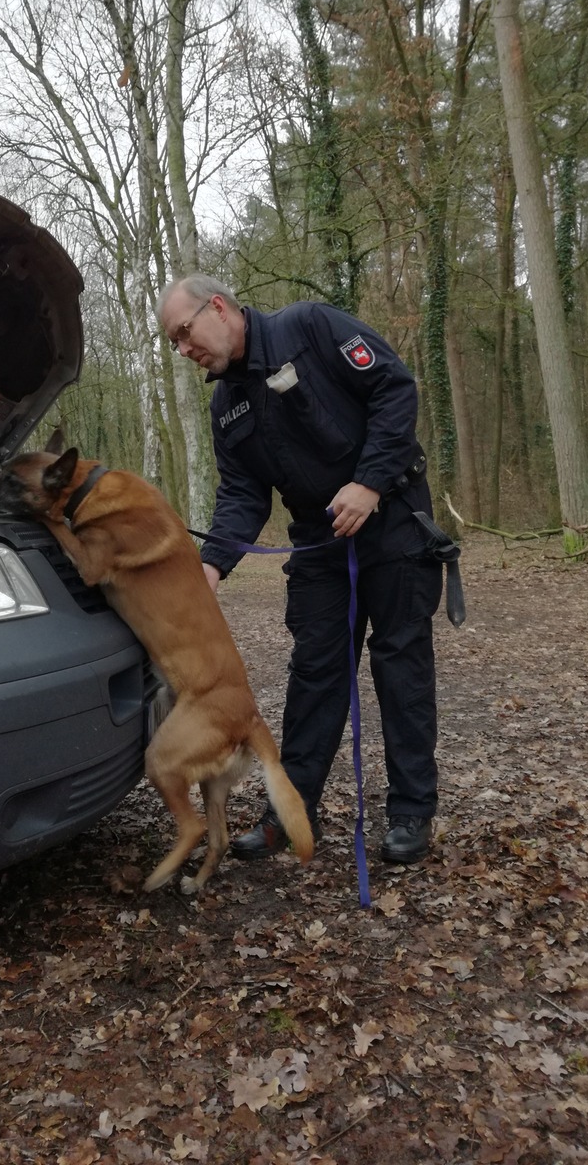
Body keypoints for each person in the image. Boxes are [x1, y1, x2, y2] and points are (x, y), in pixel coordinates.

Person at [157, 274, 444, 865]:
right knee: (314, 673)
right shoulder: (225, 404)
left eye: (184, 333)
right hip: (319, 545)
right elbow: (242, 493)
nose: (184, 350)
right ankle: (290, 814)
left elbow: (394, 388)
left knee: (401, 668)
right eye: (175, 344)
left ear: (218, 307)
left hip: (392, 522)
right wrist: (211, 566)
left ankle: (412, 811)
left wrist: (369, 481)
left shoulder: (310, 328)